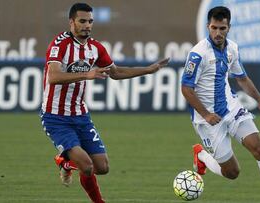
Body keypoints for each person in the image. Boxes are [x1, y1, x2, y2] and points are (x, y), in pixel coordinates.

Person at [40, 3, 169, 203]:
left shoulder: (95, 48)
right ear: (71, 22)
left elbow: (115, 73)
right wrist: (88, 73)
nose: (87, 25)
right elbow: (53, 76)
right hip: (55, 117)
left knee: (102, 167)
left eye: (90, 21)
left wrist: (147, 70)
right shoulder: (60, 44)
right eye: (82, 21)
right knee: (87, 166)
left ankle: (65, 162)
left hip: (81, 115)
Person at [181, 6, 260, 203]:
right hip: (207, 120)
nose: (218, 33)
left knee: (259, 149)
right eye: (214, 28)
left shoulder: (232, 49)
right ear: (208, 26)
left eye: (222, 28)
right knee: (232, 172)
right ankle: (202, 155)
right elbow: (186, 89)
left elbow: (242, 78)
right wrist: (206, 114)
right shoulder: (197, 54)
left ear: (229, 27)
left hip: (231, 108)